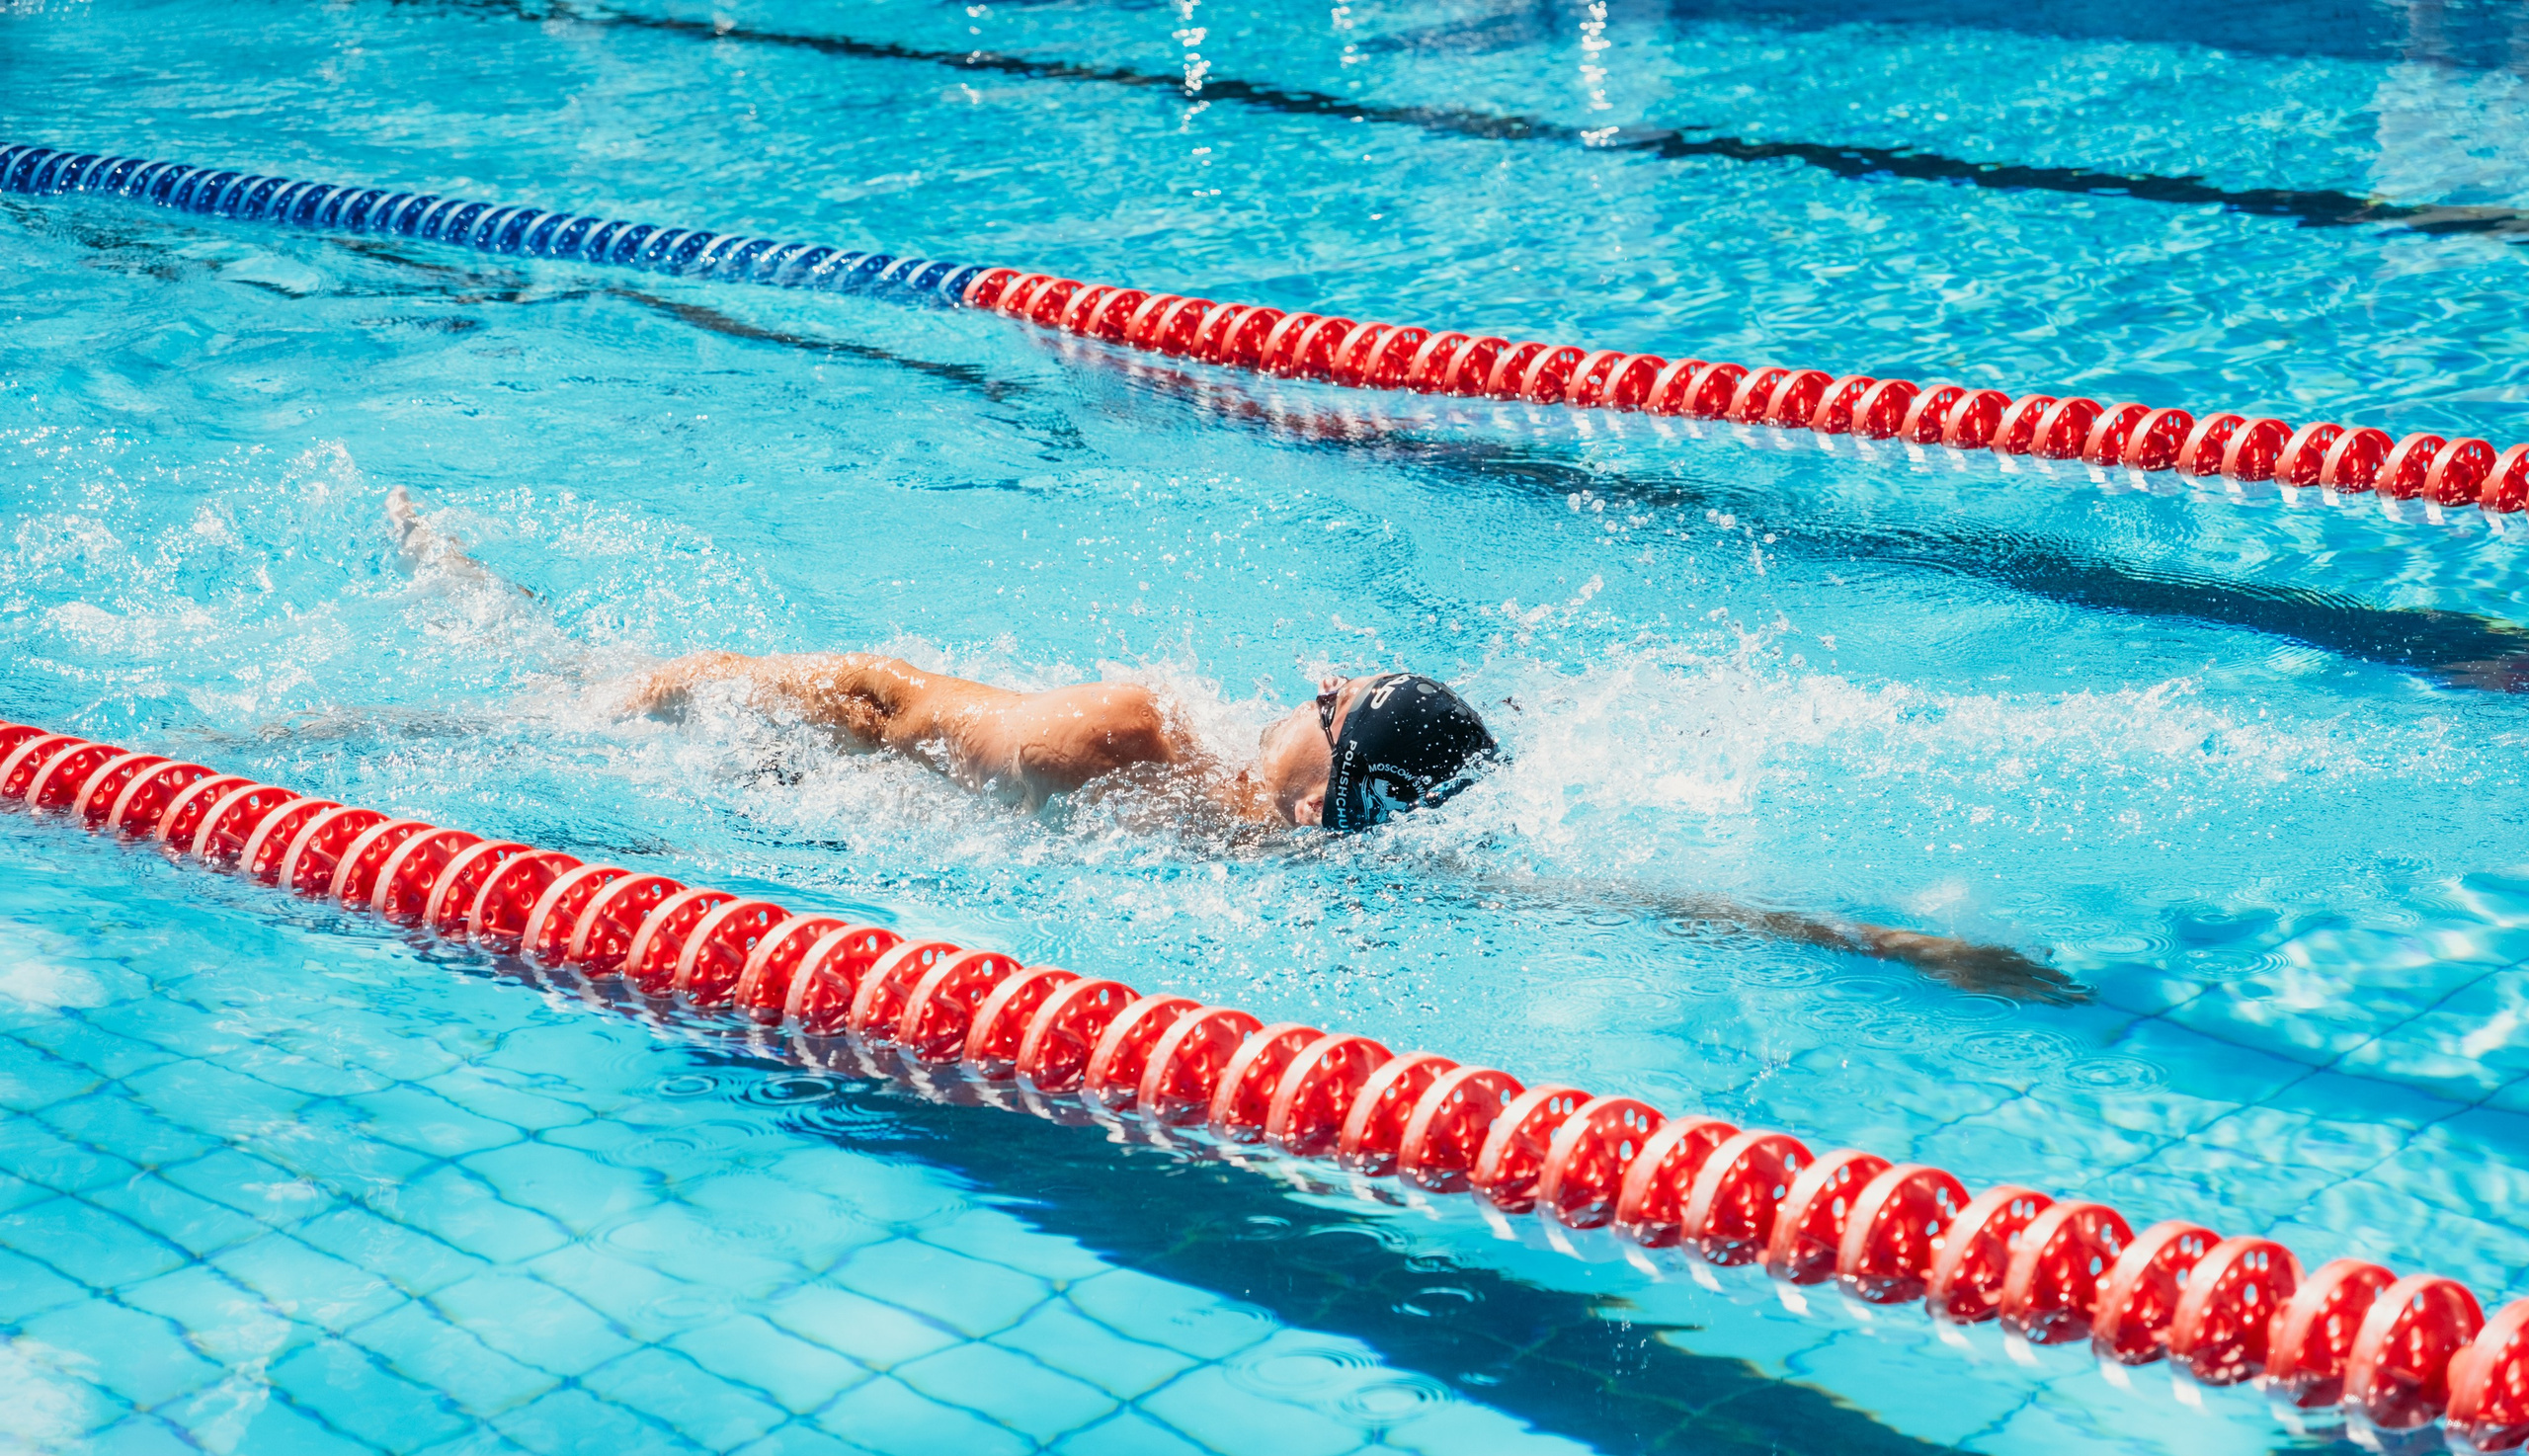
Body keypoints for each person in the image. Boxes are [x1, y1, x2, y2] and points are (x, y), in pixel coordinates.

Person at [386, 488, 2083, 1000]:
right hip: (862, 827)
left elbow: (872, 693)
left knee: (551, 694)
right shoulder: (1315, 859)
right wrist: (1871, 941)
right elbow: (1610, 893)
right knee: (562, 685)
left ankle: (466, 633)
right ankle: (500, 636)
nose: (1320, 668)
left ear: (1329, 745)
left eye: (1334, 688)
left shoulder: (1136, 728)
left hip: (786, 744)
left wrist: (700, 689)